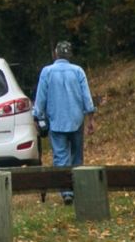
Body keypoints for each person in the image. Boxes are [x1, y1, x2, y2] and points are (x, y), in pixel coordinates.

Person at [34, 40, 96, 202]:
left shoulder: (47, 72)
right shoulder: (78, 71)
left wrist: (37, 116)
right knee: (77, 155)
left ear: (55, 54)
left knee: (60, 156)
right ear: (70, 55)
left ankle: (66, 191)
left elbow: (41, 97)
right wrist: (91, 119)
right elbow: (86, 96)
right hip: (76, 119)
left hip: (56, 120)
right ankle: (78, 185)